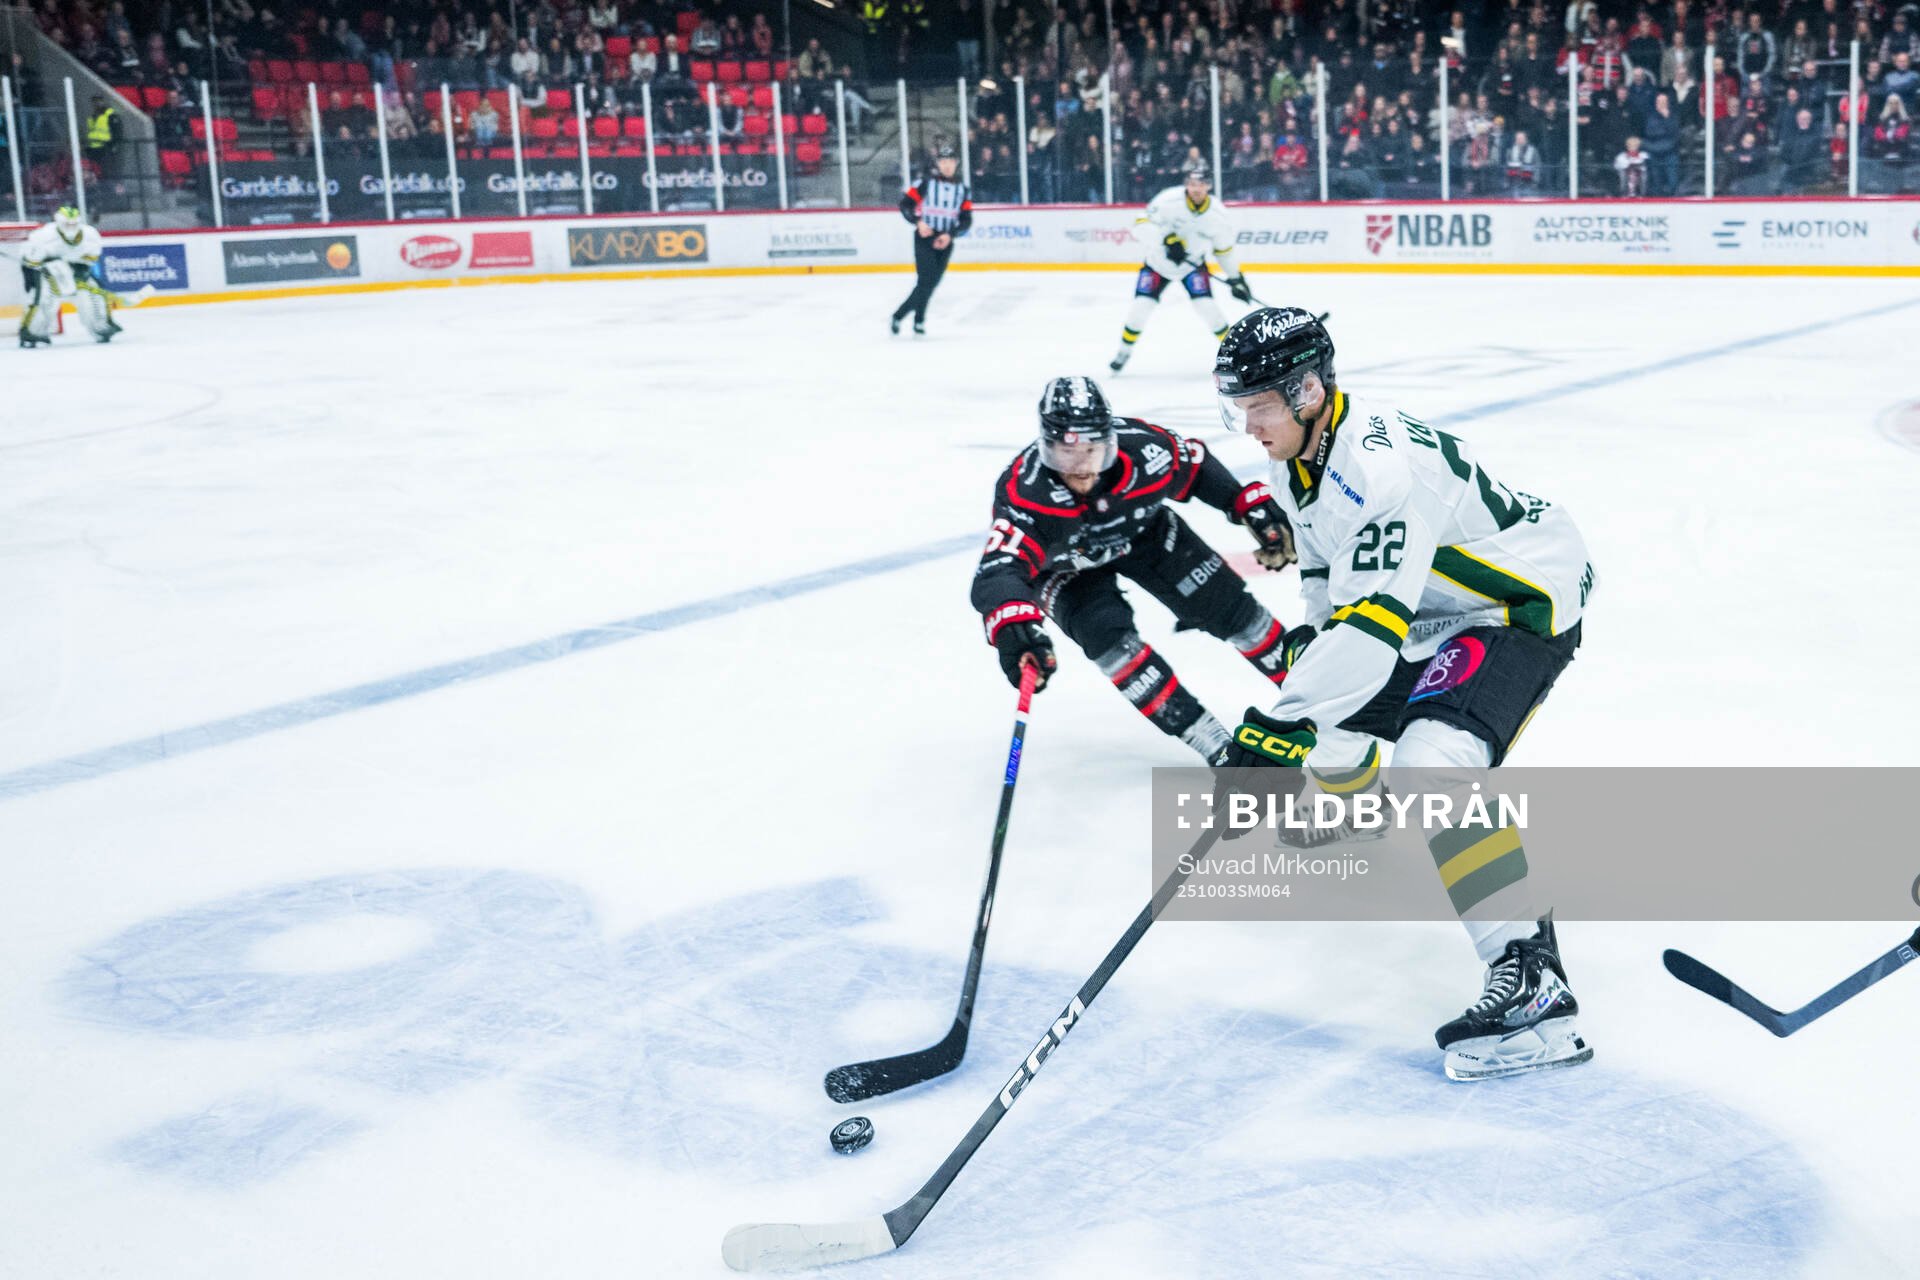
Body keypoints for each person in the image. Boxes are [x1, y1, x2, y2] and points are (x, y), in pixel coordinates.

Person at [1210, 308, 1596, 1081]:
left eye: (1257, 406)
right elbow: (1330, 603)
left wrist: (1274, 732)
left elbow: (1370, 631)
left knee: (1434, 765)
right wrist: (1299, 705)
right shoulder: (1298, 462)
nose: (1246, 425)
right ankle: (1351, 810)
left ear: (1307, 391)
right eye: (1237, 407)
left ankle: (1533, 983)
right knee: (1318, 679)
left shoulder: (1376, 472)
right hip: (1435, 612)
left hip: (1519, 603)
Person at [972, 376, 1301, 762]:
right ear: (1046, 448)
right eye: (1065, 455)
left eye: (1092, 453)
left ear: (1110, 442)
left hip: (1143, 532)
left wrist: (1244, 501)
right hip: (1065, 569)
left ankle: (1323, 698)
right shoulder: (1025, 493)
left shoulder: (1146, 449)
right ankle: (1218, 749)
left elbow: (1195, 465)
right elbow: (997, 572)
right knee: (1109, 641)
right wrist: (1013, 626)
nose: (1081, 470)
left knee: (1231, 609)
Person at [1108, 167, 1251, 374]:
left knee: (1209, 310)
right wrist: (1164, 240)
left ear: (1209, 186)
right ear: (1186, 184)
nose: (1196, 189)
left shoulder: (1218, 215)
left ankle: (1235, 354)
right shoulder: (1167, 200)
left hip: (1191, 267)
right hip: (1157, 265)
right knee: (1139, 309)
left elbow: (1224, 252)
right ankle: (1123, 352)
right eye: (1192, 184)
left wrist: (1236, 279)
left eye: (1201, 184)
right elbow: (1139, 225)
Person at [890, 143, 971, 336]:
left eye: (951, 161)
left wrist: (950, 235)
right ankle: (906, 317)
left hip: (945, 241)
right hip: (925, 237)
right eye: (943, 161)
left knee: (930, 283)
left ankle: (912, 319)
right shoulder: (925, 183)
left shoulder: (963, 190)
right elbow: (905, 205)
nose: (947, 165)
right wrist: (918, 222)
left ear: (956, 163)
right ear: (938, 163)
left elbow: (966, 219)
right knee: (926, 281)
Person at [18, 206, 119, 347]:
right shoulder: (43, 236)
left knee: (93, 296)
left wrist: (78, 268)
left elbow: (91, 258)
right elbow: (29, 261)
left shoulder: (90, 235)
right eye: (67, 224)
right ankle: (33, 332)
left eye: (74, 224)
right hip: (49, 273)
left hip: (76, 272)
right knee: (44, 299)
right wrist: (46, 265)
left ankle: (101, 327)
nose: (71, 227)